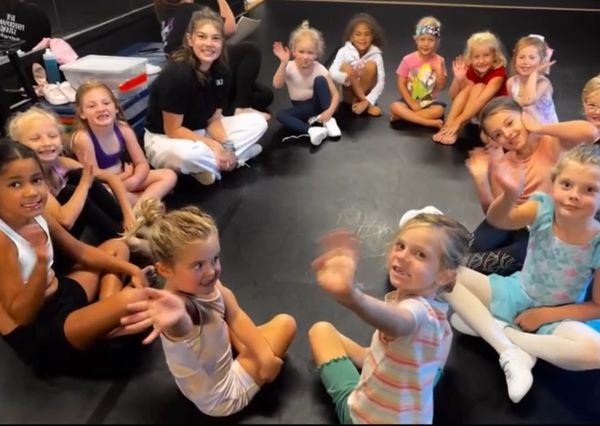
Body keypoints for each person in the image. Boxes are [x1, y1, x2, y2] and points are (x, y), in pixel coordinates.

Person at [447, 143, 600, 404]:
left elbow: (597, 307)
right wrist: (510, 193)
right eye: (566, 185)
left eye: (589, 190)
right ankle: (510, 350)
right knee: (442, 274)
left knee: (595, 352)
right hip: (516, 291)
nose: (574, 195)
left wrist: (544, 315)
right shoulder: (543, 209)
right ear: (553, 184)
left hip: (557, 317)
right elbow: (499, 220)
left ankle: (502, 333)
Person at [120, 198, 297, 417]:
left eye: (215, 259)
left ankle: (245, 350)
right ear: (165, 270)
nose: (212, 271)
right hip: (223, 396)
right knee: (286, 324)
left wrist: (264, 357)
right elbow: (182, 324)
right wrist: (178, 320)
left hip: (213, 359)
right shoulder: (178, 308)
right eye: (198, 265)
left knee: (229, 317)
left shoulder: (201, 281)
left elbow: (235, 314)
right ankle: (246, 352)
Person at [0, 138, 150, 376]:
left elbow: (79, 250)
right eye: (15, 184)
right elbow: (22, 315)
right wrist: (40, 264)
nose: (31, 191)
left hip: (60, 294)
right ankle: (107, 324)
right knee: (135, 299)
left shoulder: (38, 214)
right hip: (41, 330)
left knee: (117, 247)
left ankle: (104, 319)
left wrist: (132, 269)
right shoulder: (2, 239)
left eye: (36, 180)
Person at [308, 213, 470, 424]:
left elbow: (401, 322)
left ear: (444, 275)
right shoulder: (440, 321)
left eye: (420, 254)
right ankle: (378, 358)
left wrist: (353, 297)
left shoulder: (416, 310)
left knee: (320, 330)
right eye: (400, 246)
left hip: (364, 418)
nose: (402, 256)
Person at [465, 97, 598, 276]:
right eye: (498, 134)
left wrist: (538, 128)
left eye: (510, 123)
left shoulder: (553, 142)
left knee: (474, 264)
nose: (507, 134)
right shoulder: (505, 164)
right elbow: (496, 215)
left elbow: (590, 132)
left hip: (544, 230)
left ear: (524, 116)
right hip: (516, 222)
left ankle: (449, 269)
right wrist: (481, 181)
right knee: (463, 248)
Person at [144, 8, 267, 186]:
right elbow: (173, 130)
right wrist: (214, 146)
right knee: (190, 155)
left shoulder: (222, 72)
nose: (209, 44)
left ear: (222, 42)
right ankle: (236, 158)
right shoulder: (176, 75)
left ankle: (213, 165)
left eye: (215, 38)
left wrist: (227, 146)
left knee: (258, 122)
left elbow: (214, 120)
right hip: (166, 138)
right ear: (190, 40)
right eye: (202, 36)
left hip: (201, 131)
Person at [7, 106, 135, 244]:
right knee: (72, 190)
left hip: (79, 225)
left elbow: (111, 177)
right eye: (35, 139)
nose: (47, 143)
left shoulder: (62, 163)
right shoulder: (30, 180)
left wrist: (128, 214)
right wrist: (85, 183)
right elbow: (65, 221)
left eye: (52, 136)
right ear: (18, 145)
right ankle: (121, 238)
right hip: (55, 239)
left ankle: (123, 227)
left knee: (79, 175)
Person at [153, 0, 273, 116]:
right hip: (197, 74)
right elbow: (230, 28)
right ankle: (242, 108)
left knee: (264, 95)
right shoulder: (193, 11)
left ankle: (226, 110)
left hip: (194, 74)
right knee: (250, 50)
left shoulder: (168, 18)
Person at [71, 81, 177, 206]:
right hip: (105, 185)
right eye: (92, 106)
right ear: (82, 113)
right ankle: (143, 202)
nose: (101, 109)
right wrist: (125, 177)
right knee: (106, 194)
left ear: (115, 107)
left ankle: (139, 203)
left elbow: (142, 163)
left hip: (126, 178)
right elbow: (93, 175)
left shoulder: (123, 129)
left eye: (106, 103)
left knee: (169, 175)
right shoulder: (83, 139)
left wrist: (135, 180)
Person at [273, 20, 341, 146]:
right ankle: (312, 130)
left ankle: (329, 121)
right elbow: (277, 85)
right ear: (293, 51)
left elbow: (335, 94)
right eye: (301, 52)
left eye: (310, 53)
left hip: (320, 106)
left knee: (320, 80)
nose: (305, 57)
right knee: (280, 115)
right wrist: (283, 63)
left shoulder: (319, 68)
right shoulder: (289, 67)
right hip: (301, 110)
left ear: (316, 54)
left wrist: (330, 112)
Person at [433, 31, 508, 145]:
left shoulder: (499, 73)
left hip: (493, 111)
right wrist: (458, 79)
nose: (481, 61)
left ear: (495, 55)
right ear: (471, 58)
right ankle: (447, 127)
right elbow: (453, 95)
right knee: (469, 86)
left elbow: (482, 99)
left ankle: (455, 129)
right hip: (473, 112)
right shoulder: (470, 68)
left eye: (486, 55)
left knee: (479, 87)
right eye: (476, 57)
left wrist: (458, 122)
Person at [389, 16, 447, 128]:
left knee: (439, 110)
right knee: (395, 106)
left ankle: (403, 117)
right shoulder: (407, 59)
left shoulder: (439, 61)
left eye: (430, 40)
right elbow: (401, 83)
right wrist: (412, 104)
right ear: (416, 40)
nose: (426, 44)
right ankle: (427, 122)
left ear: (437, 42)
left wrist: (439, 69)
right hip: (409, 100)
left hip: (428, 102)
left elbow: (441, 86)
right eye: (422, 39)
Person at [328, 13, 385, 117]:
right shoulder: (343, 51)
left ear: (372, 37)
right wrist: (350, 77)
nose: (362, 38)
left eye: (367, 34)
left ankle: (362, 102)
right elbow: (332, 72)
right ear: (351, 37)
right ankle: (364, 104)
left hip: (367, 93)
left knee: (371, 65)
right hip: (349, 96)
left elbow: (381, 82)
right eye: (358, 34)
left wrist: (368, 101)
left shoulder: (376, 55)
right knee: (346, 67)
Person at [506, 35, 558, 124]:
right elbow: (513, 108)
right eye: (521, 57)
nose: (525, 62)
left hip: (546, 129)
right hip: (525, 125)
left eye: (532, 58)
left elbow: (528, 100)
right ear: (515, 60)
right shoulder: (511, 82)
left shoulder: (544, 83)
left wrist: (534, 74)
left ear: (542, 62)